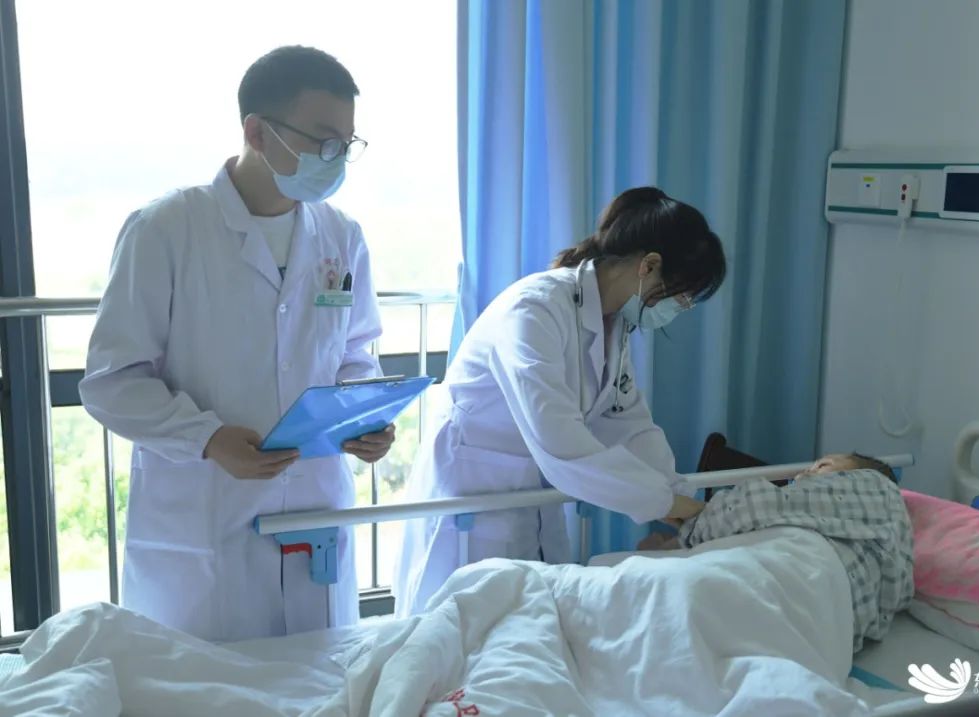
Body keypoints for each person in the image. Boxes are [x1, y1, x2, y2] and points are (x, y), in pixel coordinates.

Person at [79, 46, 395, 642]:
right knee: (207, 680)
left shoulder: (341, 235)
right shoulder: (167, 229)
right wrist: (207, 438)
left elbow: (355, 354)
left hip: (315, 509)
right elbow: (111, 382)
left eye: (346, 144)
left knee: (324, 673)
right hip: (205, 518)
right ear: (257, 132)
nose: (336, 158)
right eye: (323, 141)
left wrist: (364, 413)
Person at [393, 187, 727, 617]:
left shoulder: (612, 326)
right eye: (681, 297)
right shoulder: (534, 311)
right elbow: (559, 439)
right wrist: (667, 503)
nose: (680, 309)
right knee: (456, 631)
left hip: (527, 501)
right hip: (471, 506)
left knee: (523, 632)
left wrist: (678, 493)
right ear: (648, 266)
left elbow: (629, 425)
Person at [637, 453, 914, 650]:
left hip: (803, 580)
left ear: (859, 477)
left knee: (656, 592)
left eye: (823, 465)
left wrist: (689, 513)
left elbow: (757, 506)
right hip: (830, 630)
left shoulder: (877, 488)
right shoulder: (882, 551)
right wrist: (676, 542)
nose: (801, 475)